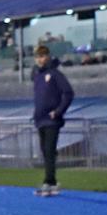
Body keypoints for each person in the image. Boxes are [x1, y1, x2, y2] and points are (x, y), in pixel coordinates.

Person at [31, 42, 73, 197]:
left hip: (51, 120)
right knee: (45, 151)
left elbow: (68, 93)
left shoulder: (55, 74)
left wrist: (58, 111)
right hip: (40, 119)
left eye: (42, 56)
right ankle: (52, 182)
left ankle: (48, 181)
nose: (40, 60)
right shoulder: (37, 76)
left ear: (48, 57)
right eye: (37, 57)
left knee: (49, 151)